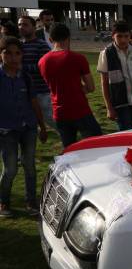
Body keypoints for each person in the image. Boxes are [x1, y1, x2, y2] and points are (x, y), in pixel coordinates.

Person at [0, 37, 47, 218]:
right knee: (10, 169)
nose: (13, 57)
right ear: (1, 55)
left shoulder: (26, 77)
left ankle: (31, 202)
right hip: (6, 131)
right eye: (8, 53)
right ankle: (4, 202)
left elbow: (34, 102)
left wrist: (42, 126)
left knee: (30, 166)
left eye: (17, 53)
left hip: (28, 128)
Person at [38, 24, 101, 147]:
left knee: (69, 151)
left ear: (50, 39)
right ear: (68, 37)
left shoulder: (42, 61)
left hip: (59, 112)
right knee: (95, 145)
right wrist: (77, 89)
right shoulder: (78, 58)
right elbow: (91, 87)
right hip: (80, 109)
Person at [98, 20, 132, 131]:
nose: (123, 40)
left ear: (130, 36)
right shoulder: (106, 54)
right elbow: (104, 82)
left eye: (126, 36)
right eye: (119, 36)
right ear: (113, 36)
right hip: (120, 104)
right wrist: (109, 107)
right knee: (127, 133)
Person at [18, 15, 54, 130]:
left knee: (50, 119)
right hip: (24, 91)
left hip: (41, 91)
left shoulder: (41, 45)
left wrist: (22, 67)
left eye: (25, 24)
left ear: (34, 27)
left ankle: (68, 141)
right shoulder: (19, 45)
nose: (21, 27)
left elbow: (46, 67)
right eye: (19, 24)